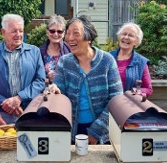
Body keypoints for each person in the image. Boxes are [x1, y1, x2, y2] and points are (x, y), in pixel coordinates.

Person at [50, 15, 123, 144]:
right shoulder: (64, 62)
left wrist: (96, 131)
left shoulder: (107, 61)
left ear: (88, 38)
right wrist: (54, 90)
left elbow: (116, 99)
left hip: (103, 132)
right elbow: (59, 90)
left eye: (76, 33)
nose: (70, 38)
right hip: (73, 130)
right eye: (68, 33)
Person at [0, 14, 46, 124]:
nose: (18, 35)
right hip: (1, 113)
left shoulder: (34, 51)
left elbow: (40, 81)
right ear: (3, 32)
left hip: (28, 111)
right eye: (14, 31)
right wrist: (4, 103)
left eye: (21, 31)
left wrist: (19, 98)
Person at [110, 22, 153, 97]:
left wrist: (135, 91)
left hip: (127, 104)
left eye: (130, 35)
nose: (126, 37)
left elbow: (148, 89)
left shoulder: (141, 62)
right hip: (106, 105)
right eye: (124, 34)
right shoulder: (107, 57)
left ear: (136, 41)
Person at [39, 14, 70, 82]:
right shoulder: (39, 52)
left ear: (64, 33)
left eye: (59, 31)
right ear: (47, 32)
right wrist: (47, 77)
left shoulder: (70, 50)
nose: (55, 34)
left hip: (65, 91)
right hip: (44, 90)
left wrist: (59, 76)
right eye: (52, 31)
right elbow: (36, 76)